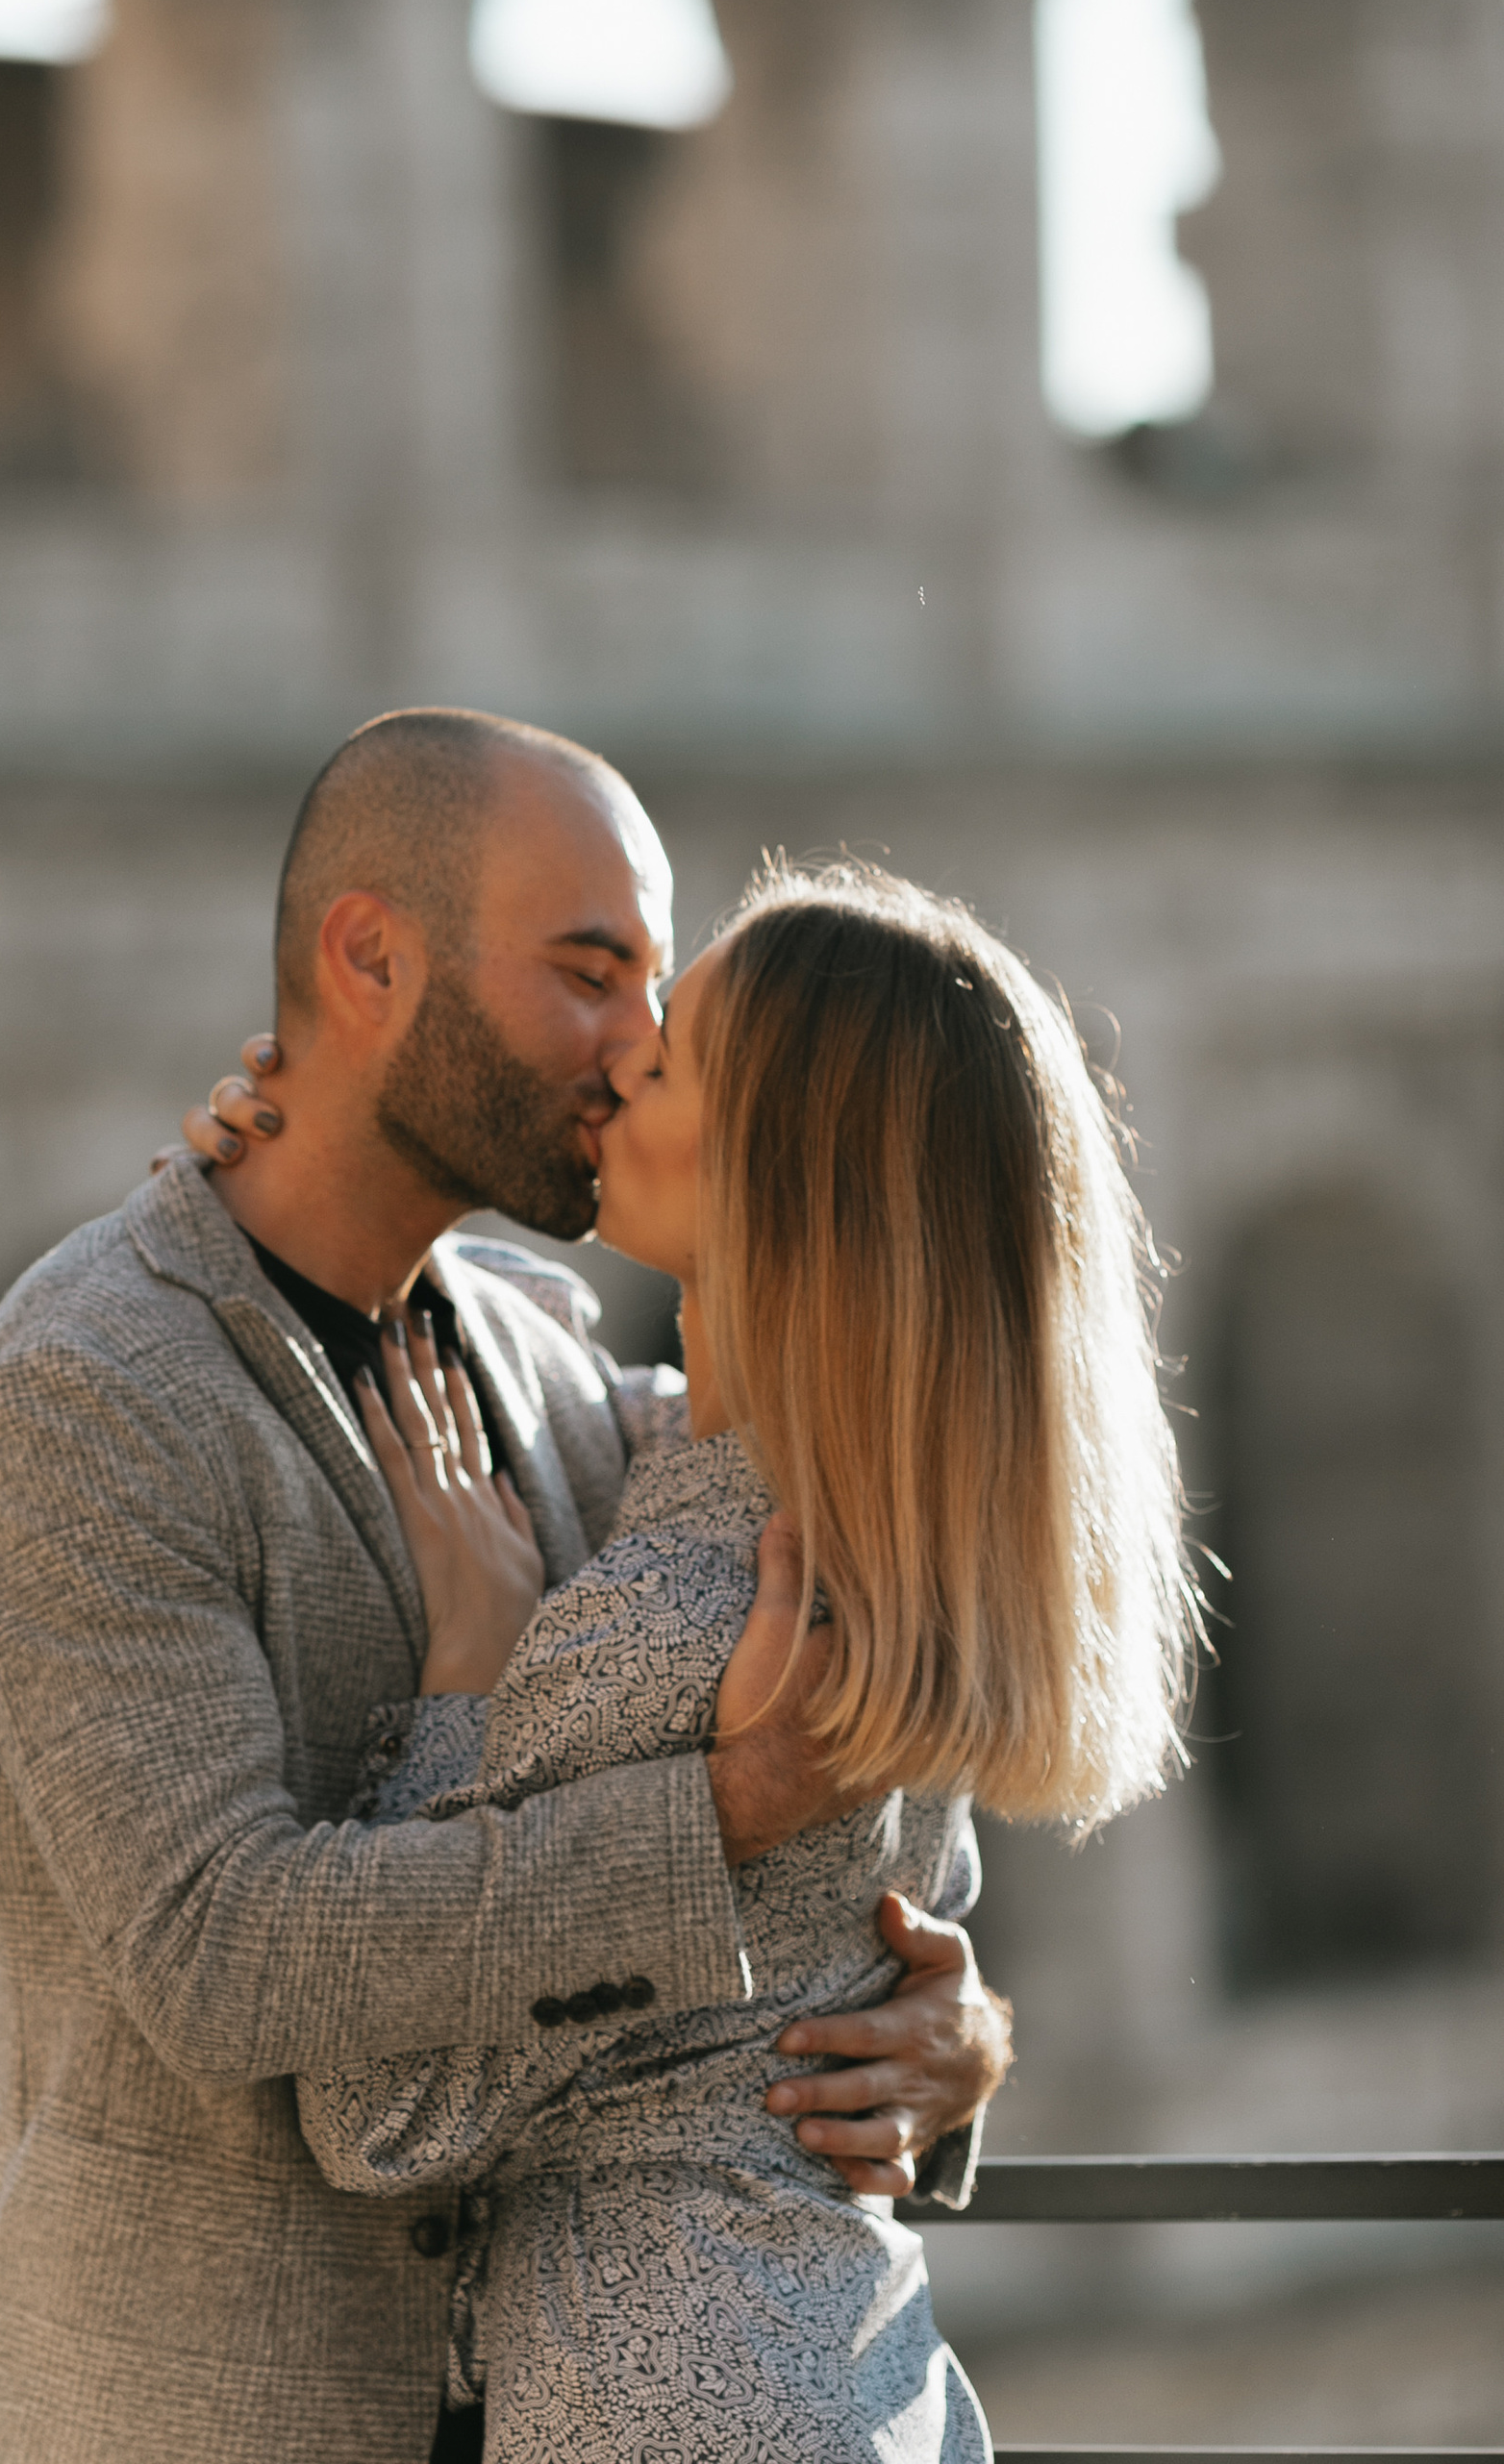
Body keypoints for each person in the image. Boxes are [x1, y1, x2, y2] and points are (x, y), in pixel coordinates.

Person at [0, 713, 1012, 2464]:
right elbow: (217, 1952)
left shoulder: (555, 1358)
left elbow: (849, 1534)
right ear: (370, 960)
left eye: (655, 982)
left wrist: (932, 2035)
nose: (640, 1041)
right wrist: (721, 1813)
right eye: (591, 974)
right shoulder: (90, 1396)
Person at [265, 857, 1196, 2462]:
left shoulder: (690, 1609)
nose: (622, 1055)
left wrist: (463, 1693)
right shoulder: (872, 1547)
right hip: (855, 2379)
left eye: (673, 1050)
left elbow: (381, 2114)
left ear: (779, 1168)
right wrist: (280, 1173)